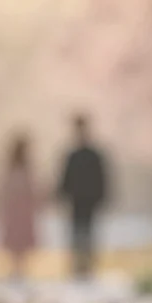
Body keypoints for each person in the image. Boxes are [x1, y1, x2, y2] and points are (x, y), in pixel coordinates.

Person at [58, 114, 109, 280]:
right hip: (76, 201)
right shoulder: (72, 155)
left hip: (90, 202)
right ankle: (77, 268)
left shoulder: (94, 155)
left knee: (88, 234)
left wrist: (102, 197)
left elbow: (102, 178)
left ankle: (87, 268)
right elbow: (65, 180)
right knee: (76, 234)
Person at [0, 134, 39, 281]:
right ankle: (17, 269)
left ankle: (20, 269)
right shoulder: (14, 167)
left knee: (20, 239)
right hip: (16, 208)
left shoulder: (24, 167)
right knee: (16, 239)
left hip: (21, 208)